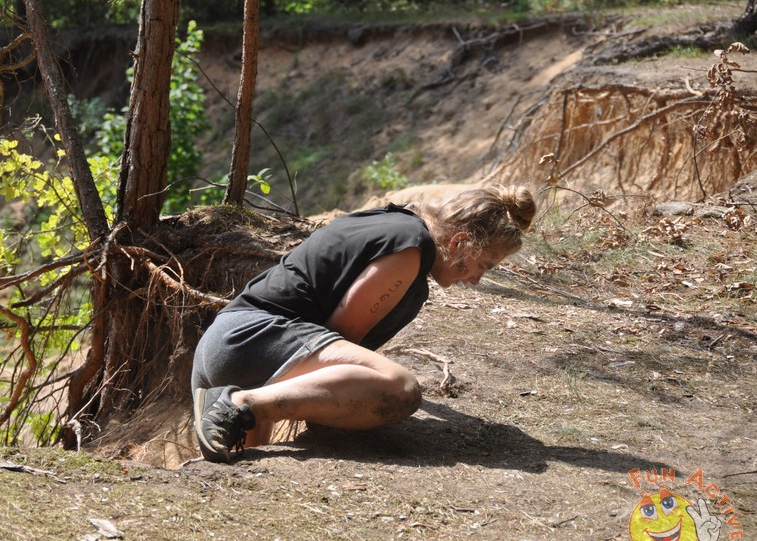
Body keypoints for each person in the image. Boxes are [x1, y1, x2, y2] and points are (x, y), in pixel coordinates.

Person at [191, 185, 537, 463]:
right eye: (484, 265)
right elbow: (342, 335)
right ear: (460, 241)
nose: (476, 279)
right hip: (253, 340)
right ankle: (237, 404)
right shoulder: (410, 249)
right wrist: (350, 407)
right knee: (400, 388)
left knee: (247, 466)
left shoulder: (394, 223)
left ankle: (235, 408)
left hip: (232, 346)